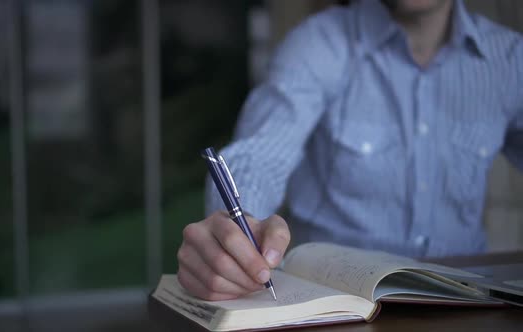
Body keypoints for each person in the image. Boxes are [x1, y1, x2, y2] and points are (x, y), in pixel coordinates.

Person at [177, 0, 523, 301]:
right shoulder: (318, 43)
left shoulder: (511, 60)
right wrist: (241, 233)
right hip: (336, 307)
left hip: (468, 303)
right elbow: (259, 154)